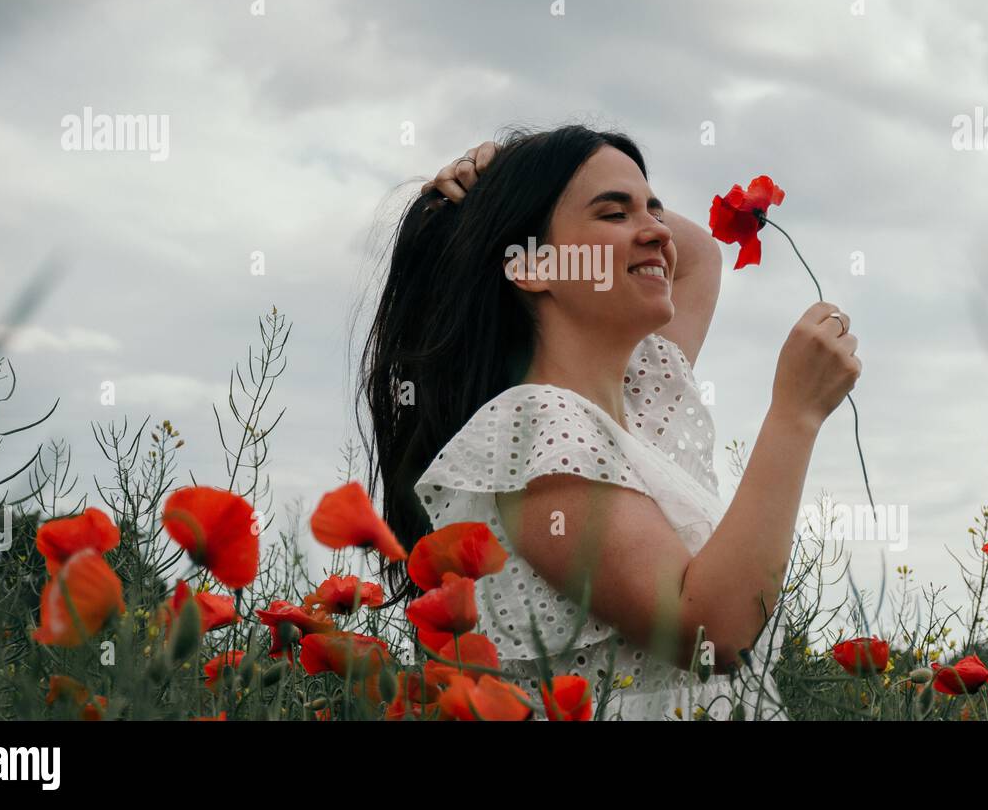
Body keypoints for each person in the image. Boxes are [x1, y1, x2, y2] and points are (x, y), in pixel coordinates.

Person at [354, 124, 860, 719]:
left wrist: (509, 173)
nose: (656, 232)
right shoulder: (538, 429)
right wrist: (795, 414)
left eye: (653, 209)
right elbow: (711, 634)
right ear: (532, 267)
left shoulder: (642, 397)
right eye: (613, 214)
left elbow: (694, 254)